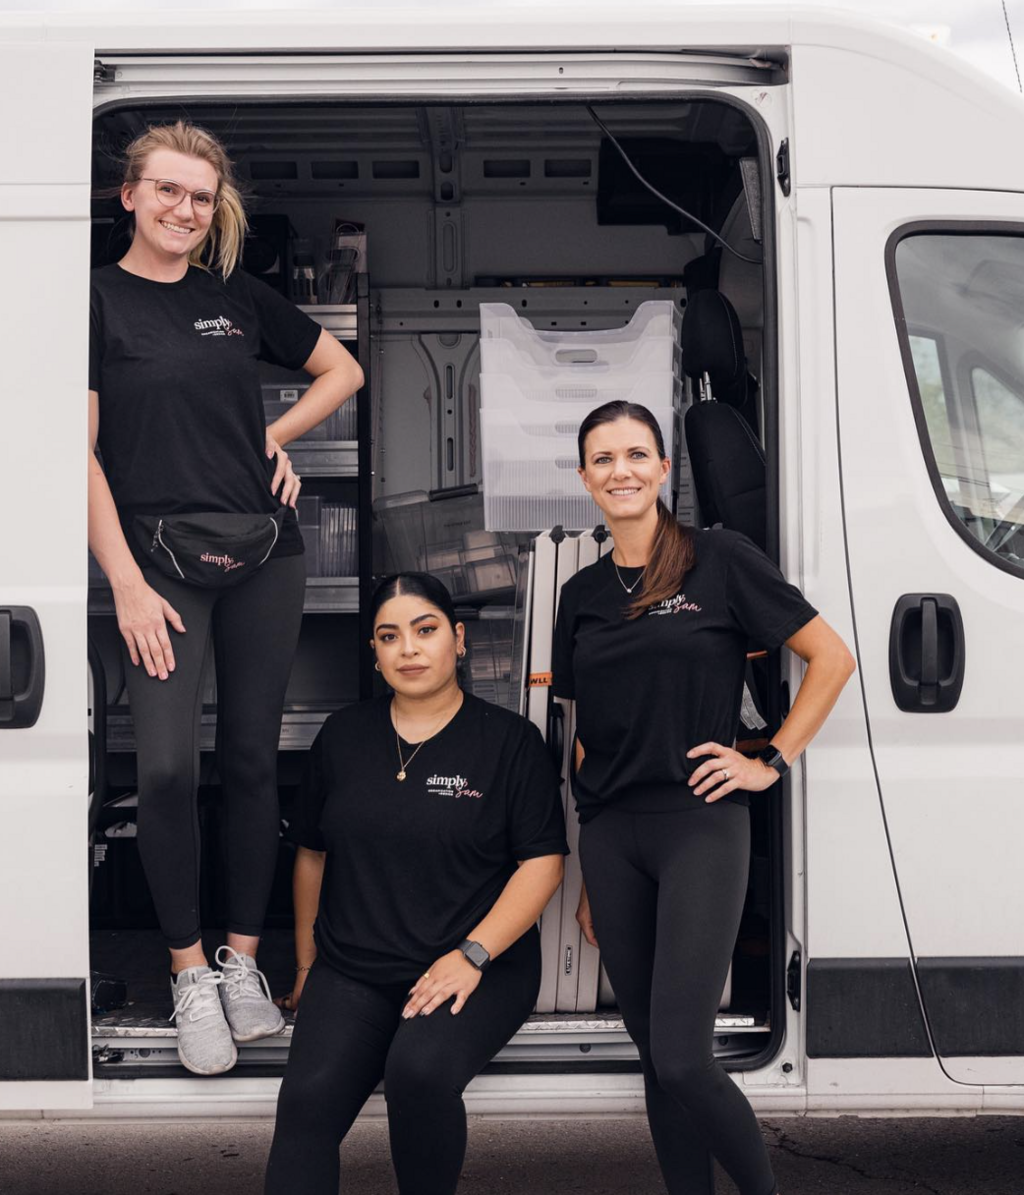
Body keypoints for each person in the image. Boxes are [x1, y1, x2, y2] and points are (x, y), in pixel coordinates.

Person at [88, 120, 364, 1075]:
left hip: (263, 552)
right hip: (155, 562)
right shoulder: (95, 301)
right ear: (130, 195)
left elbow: (344, 369)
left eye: (200, 198)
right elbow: (76, 452)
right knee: (165, 768)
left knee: (253, 759)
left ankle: (242, 960)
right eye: (166, 191)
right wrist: (123, 579)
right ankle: (185, 970)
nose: (184, 210)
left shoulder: (235, 298)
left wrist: (274, 438)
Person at [551, 400, 856, 1195]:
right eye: (603, 458)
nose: (621, 470)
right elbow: (585, 735)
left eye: (635, 454)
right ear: (585, 478)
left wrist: (772, 762)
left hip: (700, 826)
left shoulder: (718, 559)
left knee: (685, 1053)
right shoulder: (580, 593)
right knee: (657, 1056)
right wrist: (589, 863)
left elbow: (831, 658)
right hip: (615, 838)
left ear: (661, 469)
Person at [265, 572, 567, 1195]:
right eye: (389, 636)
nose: (409, 648)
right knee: (306, 1104)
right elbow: (312, 855)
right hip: (355, 965)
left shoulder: (510, 742)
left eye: (425, 631)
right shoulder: (343, 736)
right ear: (375, 655)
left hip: (476, 963)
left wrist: (472, 955)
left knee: (418, 1072)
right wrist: (304, 966)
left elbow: (542, 864)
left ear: (457, 640)